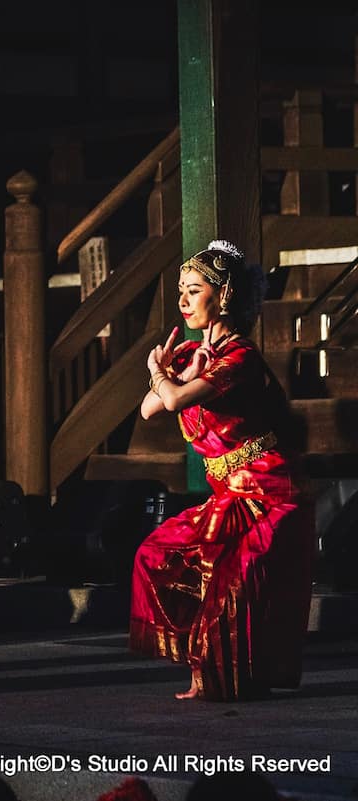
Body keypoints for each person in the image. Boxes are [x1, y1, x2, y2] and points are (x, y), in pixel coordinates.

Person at [130, 240, 313, 701]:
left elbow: (168, 398)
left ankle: (222, 678)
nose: (184, 301)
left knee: (232, 582)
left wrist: (160, 371)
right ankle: (203, 671)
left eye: (194, 290)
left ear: (224, 295)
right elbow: (151, 409)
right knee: (158, 557)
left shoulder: (240, 357)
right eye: (180, 291)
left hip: (268, 490)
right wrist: (181, 369)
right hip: (227, 491)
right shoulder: (197, 353)